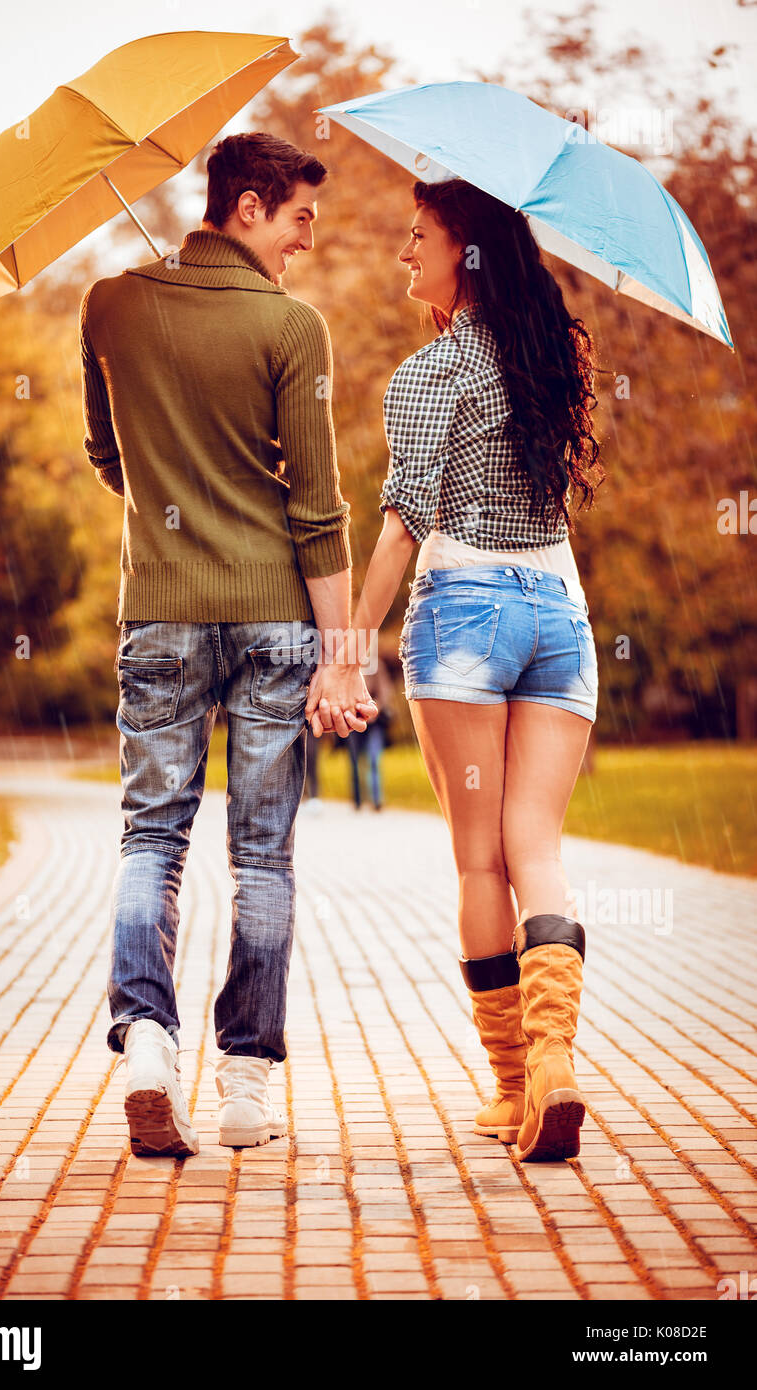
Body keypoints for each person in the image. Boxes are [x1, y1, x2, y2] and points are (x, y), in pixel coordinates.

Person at [80, 132, 375, 1157]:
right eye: (298, 219)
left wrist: (177, 500)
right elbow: (319, 510)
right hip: (272, 617)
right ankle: (245, 1080)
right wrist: (344, 654)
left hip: (158, 609)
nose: (303, 243)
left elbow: (107, 455)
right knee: (262, 853)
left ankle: (149, 1043)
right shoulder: (293, 329)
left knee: (150, 838)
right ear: (246, 206)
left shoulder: (109, 303)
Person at [306, 178, 602, 1162]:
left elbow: (403, 522)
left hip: (466, 614)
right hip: (558, 615)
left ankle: (517, 1083)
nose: (403, 254)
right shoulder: (554, 356)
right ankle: (558, 1059)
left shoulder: (430, 374)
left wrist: (347, 653)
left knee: (480, 861)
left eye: (418, 237)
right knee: (538, 849)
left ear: (465, 252)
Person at [346, 663, 394, 810]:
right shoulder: (346, 662)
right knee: (354, 760)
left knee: (374, 758)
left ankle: (376, 800)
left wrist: (374, 708)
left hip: (375, 722)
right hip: (353, 719)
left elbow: (385, 690)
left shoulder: (377, 664)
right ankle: (358, 800)